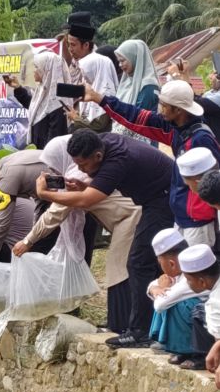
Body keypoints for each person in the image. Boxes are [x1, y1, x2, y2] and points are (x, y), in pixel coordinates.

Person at [36, 129, 174, 348]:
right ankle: (156, 325)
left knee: (138, 262)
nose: (80, 170)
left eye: (83, 165)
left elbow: (84, 201)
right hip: (153, 198)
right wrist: (85, 186)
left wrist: (44, 194)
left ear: (97, 157)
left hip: (164, 198)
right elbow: (95, 190)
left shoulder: (117, 160)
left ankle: (140, 332)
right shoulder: (103, 144)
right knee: (152, 262)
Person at [13, 134, 141, 334]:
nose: (54, 172)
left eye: (54, 166)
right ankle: (126, 324)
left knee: (118, 270)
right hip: (125, 218)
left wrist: (28, 241)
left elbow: (54, 214)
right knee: (128, 269)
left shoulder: (78, 173)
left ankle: (121, 326)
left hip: (129, 219)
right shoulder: (80, 174)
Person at [84, 79, 220, 246]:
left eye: (163, 105)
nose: (159, 109)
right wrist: (101, 99)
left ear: (178, 110)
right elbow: (138, 117)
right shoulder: (175, 128)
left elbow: (214, 182)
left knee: (198, 268)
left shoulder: (201, 138)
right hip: (182, 215)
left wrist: (202, 212)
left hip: (199, 220)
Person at [147, 229, 208, 366]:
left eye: (161, 263)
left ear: (171, 264)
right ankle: (182, 350)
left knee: (180, 305)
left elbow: (160, 305)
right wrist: (155, 288)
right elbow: (155, 284)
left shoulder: (189, 277)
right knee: (170, 300)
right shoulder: (180, 271)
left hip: (210, 319)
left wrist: (160, 290)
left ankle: (198, 353)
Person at [4, 52, 69, 149]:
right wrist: (18, 88)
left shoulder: (57, 103)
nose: (34, 71)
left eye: (36, 67)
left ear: (46, 70)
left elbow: (53, 143)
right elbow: (34, 107)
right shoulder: (43, 90)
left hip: (46, 157)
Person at [65, 15, 118, 122]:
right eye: (68, 45)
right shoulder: (74, 65)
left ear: (85, 45)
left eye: (73, 45)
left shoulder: (98, 64)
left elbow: (100, 121)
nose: (70, 49)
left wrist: (77, 119)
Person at [181, 245, 220, 374]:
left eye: (188, 280)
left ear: (202, 282)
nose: (187, 284)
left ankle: (201, 357)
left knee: (199, 311)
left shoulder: (214, 302)